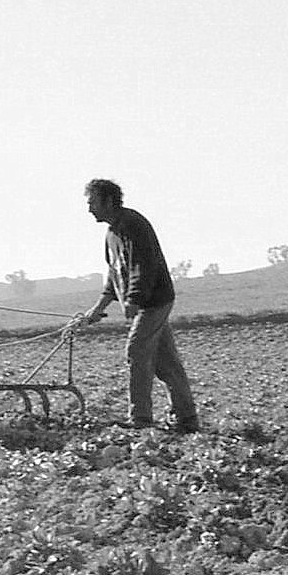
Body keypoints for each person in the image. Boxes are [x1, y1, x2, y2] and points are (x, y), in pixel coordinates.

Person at [78, 178, 200, 433]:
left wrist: (133, 299)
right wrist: (100, 305)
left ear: (108, 201)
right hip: (145, 303)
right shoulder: (111, 233)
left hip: (153, 301)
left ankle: (141, 419)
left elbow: (143, 266)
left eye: (92, 203)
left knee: (136, 351)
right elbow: (114, 272)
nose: (89, 209)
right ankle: (187, 418)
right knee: (166, 363)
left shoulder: (133, 225)